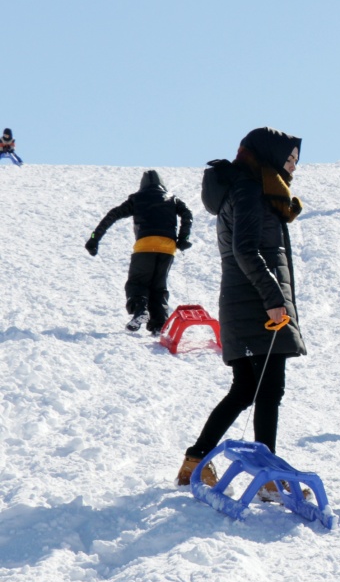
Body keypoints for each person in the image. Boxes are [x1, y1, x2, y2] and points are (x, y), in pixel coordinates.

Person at [177, 128, 307, 490]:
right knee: (266, 389)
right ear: (267, 155)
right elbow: (246, 250)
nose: (294, 165)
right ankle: (268, 476)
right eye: (289, 157)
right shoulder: (250, 189)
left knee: (249, 388)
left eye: (297, 158)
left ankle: (195, 462)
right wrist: (274, 299)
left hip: (248, 302)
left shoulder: (254, 188)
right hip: (256, 304)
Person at [85, 170, 195, 333]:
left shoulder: (137, 198)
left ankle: (140, 310)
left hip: (146, 244)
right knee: (158, 286)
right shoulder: (172, 198)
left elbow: (112, 215)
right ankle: (159, 324)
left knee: (137, 282)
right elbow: (187, 214)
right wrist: (183, 238)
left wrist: (94, 238)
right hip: (168, 247)